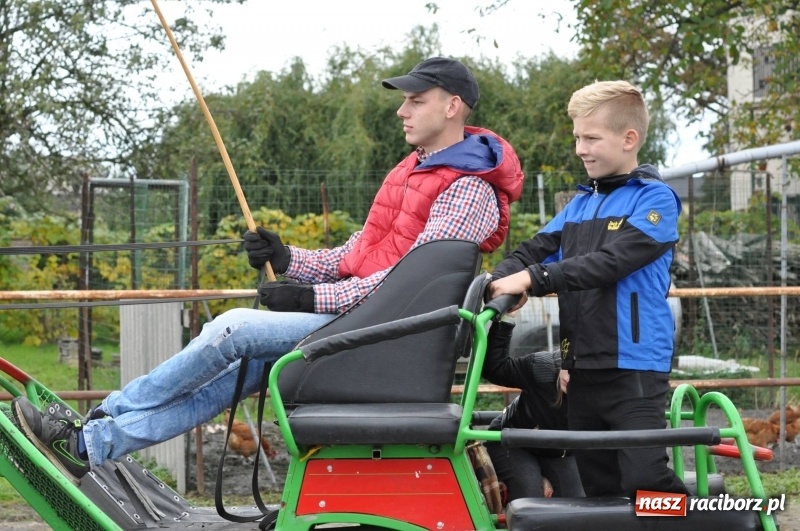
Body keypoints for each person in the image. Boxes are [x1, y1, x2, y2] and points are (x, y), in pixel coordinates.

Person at [12, 57, 524, 485]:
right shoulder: (414, 169)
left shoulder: (468, 189)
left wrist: (309, 298)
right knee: (234, 375)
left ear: (452, 106)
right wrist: (288, 259)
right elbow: (359, 255)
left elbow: (410, 290)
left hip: (387, 336)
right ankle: (91, 444)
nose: (401, 110)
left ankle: (103, 414)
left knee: (233, 328)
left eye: (416, 100)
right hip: (364, 319)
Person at [486, 80, 687, 498]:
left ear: (628, 139)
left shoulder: (655, 200)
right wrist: (498, 282)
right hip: (580, 372)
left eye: (591, 138)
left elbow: (612, 262)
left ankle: (723, 519)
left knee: (646, 482)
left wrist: (534, 279)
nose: (580, 148)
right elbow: (532, 250)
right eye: (578, 137)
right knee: (599, 489)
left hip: (633, 369)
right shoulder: (579, 206)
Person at [482, 315, 585, 501]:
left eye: (580, 374)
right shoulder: (541, 367)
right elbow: (495, 369)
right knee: (529, 495)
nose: (569, 378)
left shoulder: (605, 391)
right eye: (568, 366)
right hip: (514, 442)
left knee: (577, 500)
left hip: (559, 452)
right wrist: (505, 319)